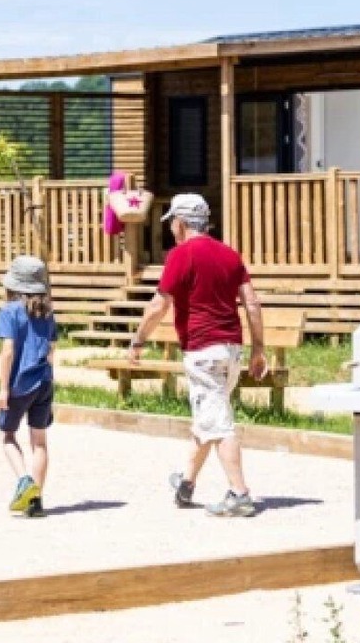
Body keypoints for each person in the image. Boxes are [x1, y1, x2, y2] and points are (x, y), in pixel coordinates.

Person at [129, 194, 267, 518]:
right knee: (208, 416)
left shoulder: (181, 255)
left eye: (172, 223)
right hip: (231, 350)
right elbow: (252, 304)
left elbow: (158, 305)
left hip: (204, 351)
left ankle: (239, 493)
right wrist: (258, 349)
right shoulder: (230, 255)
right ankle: (186, 483)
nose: (172, 230)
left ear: (180, 221)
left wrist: (137, 340)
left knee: (218, 423)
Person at [0, 255, 57, 518]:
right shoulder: (48, 313)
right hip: (44, 381)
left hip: (20, 385)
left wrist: (4, 388)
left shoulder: (9, 311)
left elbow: (8, 351)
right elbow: (52, 351)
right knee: (39, 442)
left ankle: (24, 482)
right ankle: (36, 502)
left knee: (7, 435)